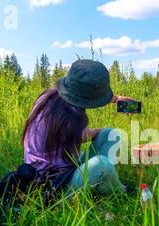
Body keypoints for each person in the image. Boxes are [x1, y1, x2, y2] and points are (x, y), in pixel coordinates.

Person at [22, 59, 133, 195]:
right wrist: (98, 131)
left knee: (110, 134)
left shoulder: (50, 97)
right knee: (102, 164)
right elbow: (82, 136)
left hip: (65, 168)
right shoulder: (65, 116)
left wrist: (116, 99)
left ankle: (100, 181)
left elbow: (85, 97)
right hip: (53, 185)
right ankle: (119, 191)